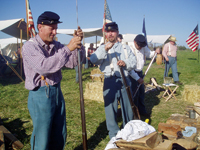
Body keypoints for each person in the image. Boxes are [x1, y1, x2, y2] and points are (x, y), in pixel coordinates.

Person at [22, 11, 85, 150]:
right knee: (42, 137)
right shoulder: (30, 46)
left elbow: (72, 63)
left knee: (59, 133)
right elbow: (44, 67)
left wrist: (78, 44)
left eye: (56, 28)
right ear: (40, 27)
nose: (55, 32)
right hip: (40, 94)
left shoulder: (56, 45)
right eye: (52, 28)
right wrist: (68, 48)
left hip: (57, 91)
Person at [90, 22, 137, 139]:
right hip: (109, 80)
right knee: (110, 109)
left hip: (125, 79)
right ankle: (114, 136)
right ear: (105, 33)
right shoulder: (102, 47)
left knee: (128, 108)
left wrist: (125, 63)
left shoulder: (125, 47)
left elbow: (134, 62)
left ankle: (128, 131)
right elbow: (93, 59)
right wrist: (105, 49)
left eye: (113, 31)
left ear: (117, 32)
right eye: (108, 32)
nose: (110, 34)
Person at [129, 34, 160, 117]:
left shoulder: (143, 46)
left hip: (140, 72)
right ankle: (134, 113)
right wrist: (137, 78)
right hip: (132, 74)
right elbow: (129, 69)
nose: (140, 47)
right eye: (138, 45)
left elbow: (149, 54)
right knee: (134, 94)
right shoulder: (129, 48)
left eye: (141, 46)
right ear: (134, 42)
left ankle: (142, 111)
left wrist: (155, 52)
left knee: (141, 93)